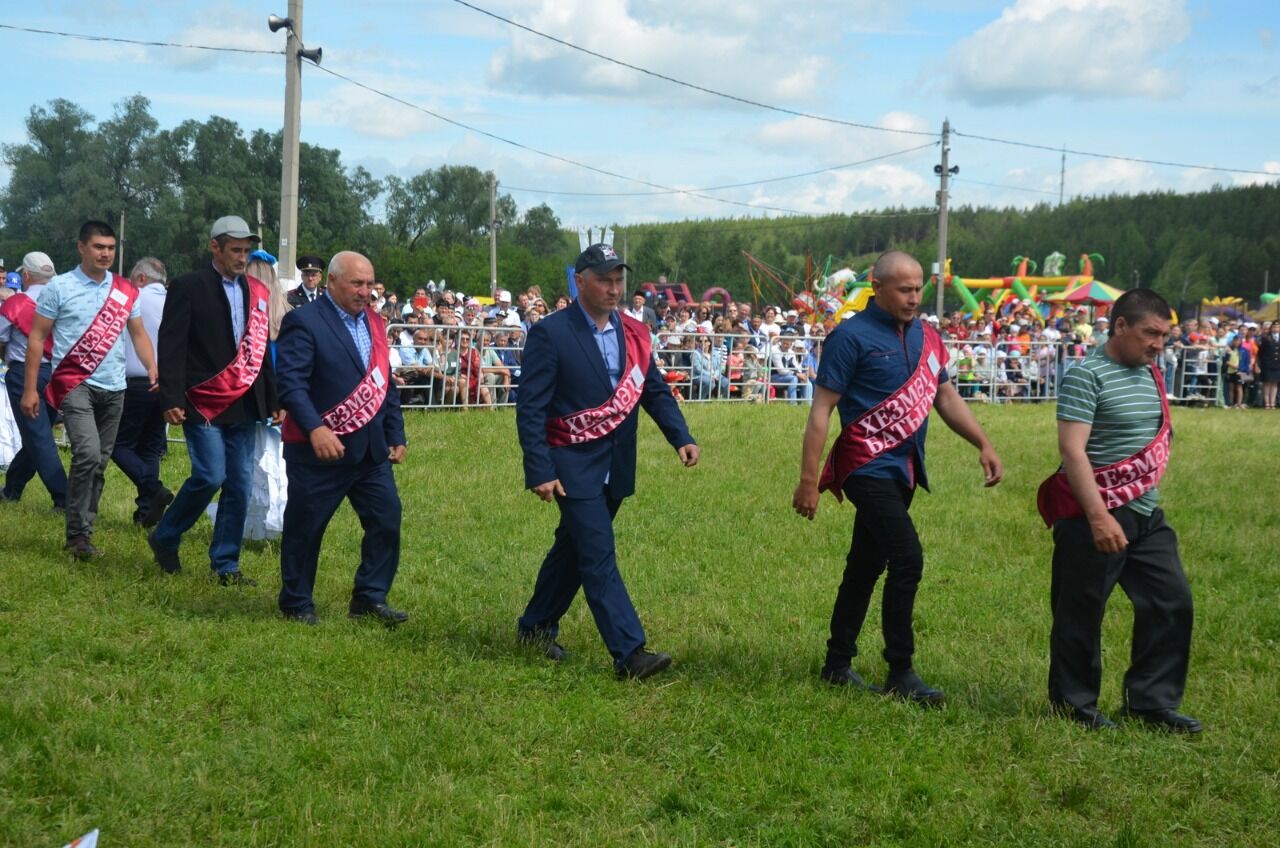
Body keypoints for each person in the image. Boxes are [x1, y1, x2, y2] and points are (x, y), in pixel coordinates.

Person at [791, 251, 1003, 704]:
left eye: (918, 288)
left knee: (865, 566)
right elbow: (821, 411)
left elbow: (945, 397)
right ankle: (901, 670)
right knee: (907, 558)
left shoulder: (928, 337)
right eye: (904, 289)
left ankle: (837, 663)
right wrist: (809, 480)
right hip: (865, 466)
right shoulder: (849, 337)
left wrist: (982, 443)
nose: (913, 298)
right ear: (877, 285)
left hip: (905, 469)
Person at [515, 243, 699, 680]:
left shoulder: (634, 332)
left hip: (616, 460)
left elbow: (652, 388)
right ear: (579, 282)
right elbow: (531, 408)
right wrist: (539, 469)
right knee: (597, 553)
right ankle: (630, 653)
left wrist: (680, 436)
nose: (614, 288)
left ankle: (535, 627)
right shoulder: (551, 332)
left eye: (619, 280)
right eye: (604, 279)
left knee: (573, 550)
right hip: (571, 462)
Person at [1039, 288, 1200, 733]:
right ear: (1121, 326)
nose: (1158, 344)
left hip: (1145, 515)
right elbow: (1073, 451)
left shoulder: (1152, 374)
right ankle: (1074, 706)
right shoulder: (1086, 374)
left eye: (1164, 335)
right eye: (1151, 333)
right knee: (1081, 610)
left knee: (1172, 602)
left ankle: (1150, 704)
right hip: (1092, 513)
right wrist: (1097, 517)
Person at [276, 251, 408, 626]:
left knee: (386, 519)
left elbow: (385, 385)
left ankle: (370, 597)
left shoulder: (376, 324)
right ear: (332, 281)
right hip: (319, 452)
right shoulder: (303, 322)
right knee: (307, 527)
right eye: (356, 283)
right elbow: (292, 384)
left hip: (369, 451)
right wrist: (315, 427)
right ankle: (296, 602)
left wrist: (395, 432)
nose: (365, 291)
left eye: (369, 284)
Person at [147, 217, 280, 583]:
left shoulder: (256, 290)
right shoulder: (189, 286)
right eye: (235, 250)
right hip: (203, 400)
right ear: (214, 247)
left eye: (245, 251)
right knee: (210, 475)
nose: (242, 257)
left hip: (245, 402)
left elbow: (260, 350)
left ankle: (226, 564)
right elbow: (171, 344)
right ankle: (166, 534)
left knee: (238, 483)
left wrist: (274, 398)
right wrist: (171, 396)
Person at [21, 221, 157, 559]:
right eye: (98, 247)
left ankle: (84, 530)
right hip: (75, 383)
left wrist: (153, 366)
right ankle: (77, 535)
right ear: (82, 247)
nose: (105, 253)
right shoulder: (59, 287)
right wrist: (29, 389)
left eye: (110, 248)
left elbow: (138, 333)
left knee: (99, 463)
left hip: (116, 386)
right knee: (87, 453)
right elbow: (37, 338)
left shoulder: (125, 290)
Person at [0, 251, 68, 510]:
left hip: (24, 373)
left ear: (26, 275)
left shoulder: (15, 304)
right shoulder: (63, 303)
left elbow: (1, 339)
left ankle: (65, 497)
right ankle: (13, 487)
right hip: (57, 373)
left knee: (39, 437)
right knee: (37, 434)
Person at [111, 257, 172, 526]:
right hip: (167, 384)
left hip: (136, 380)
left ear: (141, 279)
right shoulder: (173, 301)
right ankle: (147, 512)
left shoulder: (132, 298)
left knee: (117, 444)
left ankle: (153, 488)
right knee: (150, 448)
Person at [1258, 321, 1280, 409]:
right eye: (1274, 327)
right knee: (1267, 383)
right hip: (1267, 364)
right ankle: (1267, 403)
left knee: (1275, 383)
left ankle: (1272, 403)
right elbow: (1260, 353)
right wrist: (1259, 364)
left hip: (1277, 364)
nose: (1276, 328)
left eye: (1278, 327)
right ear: (1271, 328)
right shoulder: (1266, 338)